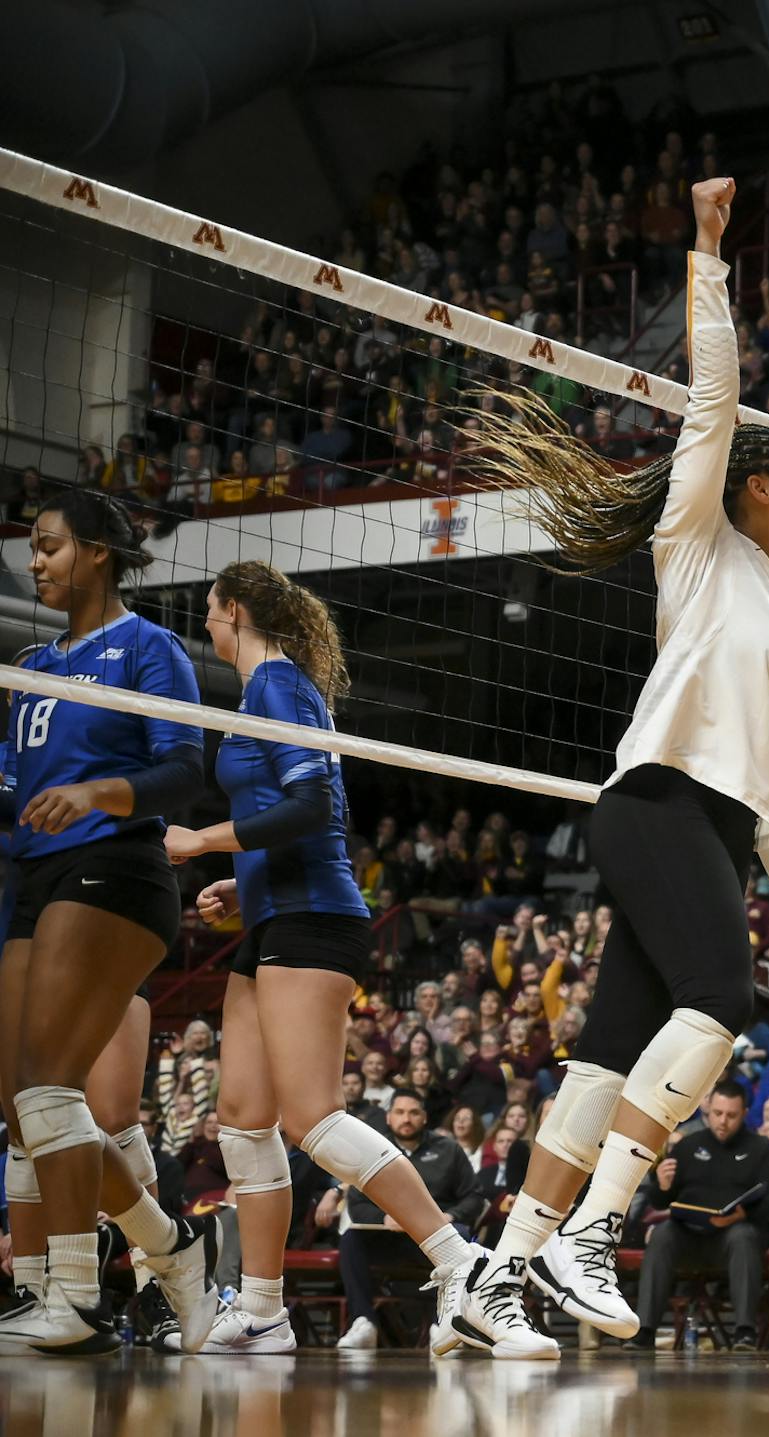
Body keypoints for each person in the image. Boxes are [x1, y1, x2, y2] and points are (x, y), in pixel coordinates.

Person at [455, 174, 769, 1340]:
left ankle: (494, 1283)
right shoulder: (698, 543)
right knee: (722, 998)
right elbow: (712, 400)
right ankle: (588, 1236)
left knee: (605, 1062)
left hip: (714, 825)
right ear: (754, 488)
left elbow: (768, 771)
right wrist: (710, 252)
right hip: (658, 802)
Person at [162, 561, 549, 1357]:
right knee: (240, 1115)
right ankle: (264, 1310)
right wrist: (244, 877)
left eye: (210, 609)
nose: (205, 622)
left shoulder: (280, 684)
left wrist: (202, 841)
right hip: (274, 915)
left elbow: (311, 810)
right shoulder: (262, 695)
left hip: (317, 918)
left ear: (236, 609)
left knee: (309, 1118)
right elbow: (292, 818)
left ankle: (462, 1263)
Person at [0, 490, 221, 1356]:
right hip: (34, 872)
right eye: (31, 549)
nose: (37, 561)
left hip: (118, 866)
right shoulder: (25, 664)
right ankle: (172, 1248)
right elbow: (19, 789)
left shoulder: (149, 647)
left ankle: (76, 1292)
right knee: (22, 1105)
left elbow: (183, 771)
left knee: (51, 1082)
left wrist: (95, 791)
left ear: (97, 551)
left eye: (50, 546)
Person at [628, 1081, 769, 1350]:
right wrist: (663, 1185)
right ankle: (644, 1329)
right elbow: (659, 1201)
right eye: (717, 1113)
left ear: (745, 1113)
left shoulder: (762, 1149)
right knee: (663, 1232)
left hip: (734, 1236)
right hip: (689, 1235)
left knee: (743, 1235)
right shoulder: (688, 1146)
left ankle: (745, 1331)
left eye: (731, 1115)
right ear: (709, 1110)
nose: (723, 1121)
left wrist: (739, 1215)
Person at [330, 1088, 489, 1351]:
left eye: (414, 1112)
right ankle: (363, 1322)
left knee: (460, 1234)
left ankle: (448, 1323)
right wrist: (383, 1217)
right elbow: (357, 1204)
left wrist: (450, 1216)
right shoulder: (371, 1150)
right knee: (351, 1240)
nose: (407, 1118)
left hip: (437, 1239)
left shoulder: (448, 1149)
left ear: (424, 1118)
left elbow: (474, 1197)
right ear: (389, 1117)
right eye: (400, 1112)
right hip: (391, 1239)